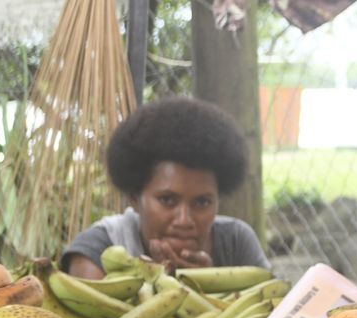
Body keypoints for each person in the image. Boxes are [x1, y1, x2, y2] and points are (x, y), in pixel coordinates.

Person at [60, 96, 268, 277]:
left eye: (202, 202)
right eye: (168, 200)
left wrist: (211, 287)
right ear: (134, 197)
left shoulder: (236, 243)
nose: (184, 220)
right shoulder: (96, 252)